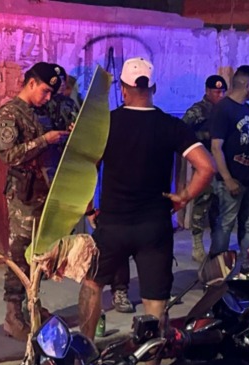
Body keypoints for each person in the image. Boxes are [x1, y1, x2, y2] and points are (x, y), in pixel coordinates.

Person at [76, 57, 215, 339]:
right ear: (154, 87)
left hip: (112, 224)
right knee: (154, 299)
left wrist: (89, 209)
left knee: (92, 284)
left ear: (123, 89)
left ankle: (86, 348)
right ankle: (151, 356)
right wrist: (184, 197)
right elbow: (207, 167)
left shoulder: (106, 124)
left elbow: (86, 168)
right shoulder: (170, 125)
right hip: (154, 226)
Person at [0, 62, 69, 341]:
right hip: (23, 196)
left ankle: (33, 304)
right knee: (19, 255)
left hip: (46, 192)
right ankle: (12, 315)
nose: (48, 98)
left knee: (39, 254)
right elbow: (9, 155)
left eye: (51, 93)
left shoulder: (44, 111)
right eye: (45, 91)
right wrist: (45, 140)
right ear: (31, 83)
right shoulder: (9, 114)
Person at [208, 66, 249, 268]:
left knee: (248, 224)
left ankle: (247, 265)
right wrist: (227, 178)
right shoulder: (223, 109)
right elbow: (216, 147)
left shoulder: (246, 108)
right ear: (247, 85)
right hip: (233, 179)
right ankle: (216, 268)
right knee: (226, 224)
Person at [182, 75, 228, 262]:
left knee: (219, 204)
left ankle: (217, 245)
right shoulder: (197, 110)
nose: (220, 95)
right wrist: (205, 136)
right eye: (216, 92)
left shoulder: (225, 110)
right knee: (202, 202)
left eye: (222, 92)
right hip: (204, 163)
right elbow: (182, 130)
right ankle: (197, 243)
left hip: (222, 163)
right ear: (207, 91)